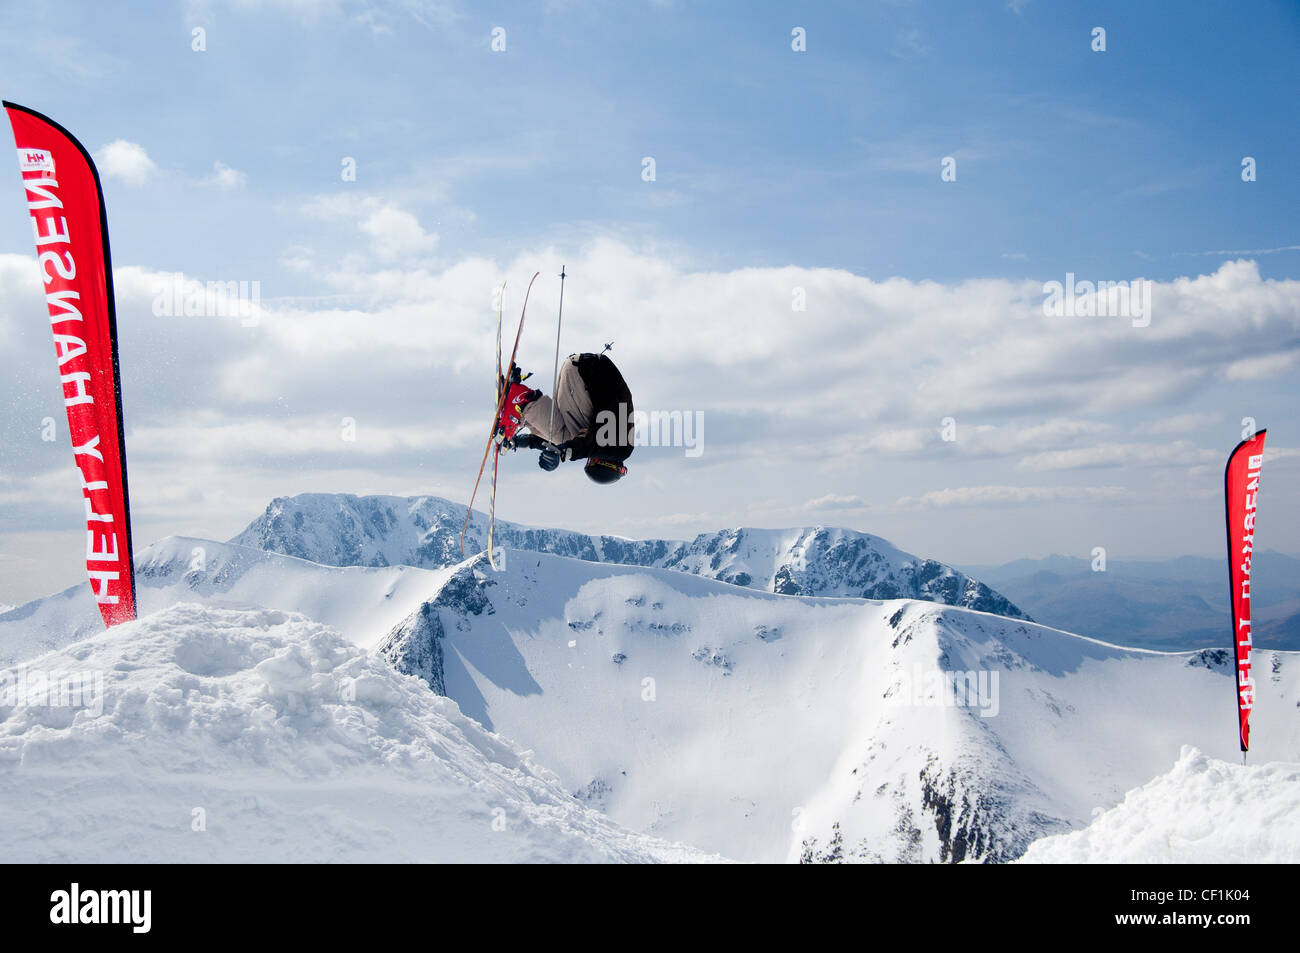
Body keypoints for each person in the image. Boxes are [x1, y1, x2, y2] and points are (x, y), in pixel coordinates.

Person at [496, 352, 634, 483]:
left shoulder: (614, 441)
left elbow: (585, 442)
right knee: (568, 440)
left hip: (580, 372)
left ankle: (520, 401)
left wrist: (527, 442)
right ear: (605, 463)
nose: (589, 458)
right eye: (592, 461)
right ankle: (522, 403)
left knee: (568, 438)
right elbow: (587, 443)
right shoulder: (620, 449)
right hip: (586, 375)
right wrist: (563, 453)